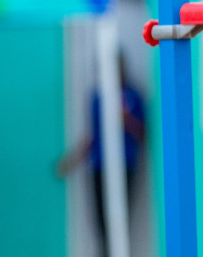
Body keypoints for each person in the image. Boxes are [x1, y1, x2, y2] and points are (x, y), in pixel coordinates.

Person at [55, 55, 147, 257]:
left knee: (120, 219)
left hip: (125, 164)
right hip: (98, 166)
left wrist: (126, 119)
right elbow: (93, 135)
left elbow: (143, 134)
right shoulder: (97, 97)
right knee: (100, 222)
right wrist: (72, 160)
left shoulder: (133, 96)